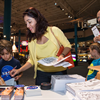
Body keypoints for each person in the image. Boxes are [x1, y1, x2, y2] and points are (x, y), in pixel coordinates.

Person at [10, 7, 71, 85]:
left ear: (37, 20)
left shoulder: (54, 31)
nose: (28, 26)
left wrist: (62, 55)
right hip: (41, 74)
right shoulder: (31, 39)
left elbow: (67, 45)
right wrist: (19, 70)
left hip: (59, 72)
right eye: (26, 23)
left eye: (29, 22)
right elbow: (31, 60)